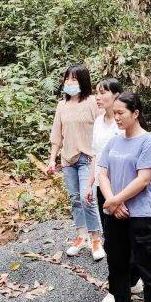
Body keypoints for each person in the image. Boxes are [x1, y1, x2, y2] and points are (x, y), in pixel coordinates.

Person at [98, 92, 151, 302]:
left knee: (147, 267)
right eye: (114, 113)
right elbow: (102, 173)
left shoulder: (148, 142)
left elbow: (144, 178)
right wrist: (111, 201)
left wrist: (118, 199)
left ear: (135, 113)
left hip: (141, 215)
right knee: (116, 264)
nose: (116, 118)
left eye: (121, 113)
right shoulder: (114, 142)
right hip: (115, 212)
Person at [48, 65, 104, 261]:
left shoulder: (92, 103)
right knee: (74, 199)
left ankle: (96, 239)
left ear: (83, 81)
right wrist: (52, 158)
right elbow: (57, 133)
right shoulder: (61, 105)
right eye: (67, 79)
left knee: (86, 197)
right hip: (67, 159)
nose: (70, 83)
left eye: (74, 79)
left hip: (88, 158)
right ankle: (81, 236)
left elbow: (103, 129)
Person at [88, 77, 124, 302]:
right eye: (97, 93)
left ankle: (129, 281)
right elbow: (95, 155)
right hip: (103, 187)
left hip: (121, 187)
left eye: (103, 93)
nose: (98, 98)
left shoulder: (123, 123)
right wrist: (90, 184)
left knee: (124, 238)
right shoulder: (99, 122)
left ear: (116, 96)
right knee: (111, 238)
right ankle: (116, 286)